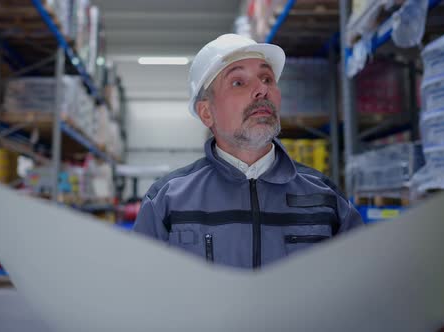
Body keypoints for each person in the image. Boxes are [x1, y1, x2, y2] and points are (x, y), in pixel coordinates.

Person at [132, 33, 363, 268]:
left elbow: (361, 288)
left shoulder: (326, 199)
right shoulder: (166, 202)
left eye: (267, 78)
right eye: (238, 82)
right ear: (206, 113)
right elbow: (140, 292)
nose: (261, 90)